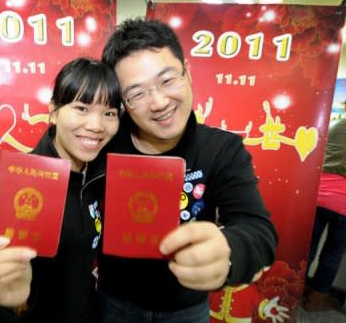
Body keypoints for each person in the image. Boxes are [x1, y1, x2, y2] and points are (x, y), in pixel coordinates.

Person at [97, 18, 278, 323]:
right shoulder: (103, 143)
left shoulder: (223, 149)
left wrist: (230, 251)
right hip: (114, 302)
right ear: (124, 102)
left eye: (168, 80)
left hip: (186, 308)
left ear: (188, 73)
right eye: (137, 94)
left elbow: (258, 230)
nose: (158, 102)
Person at [0, 58, 121, 322]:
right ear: (54, 111)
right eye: (81, 108)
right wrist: (9, 303)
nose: (96, 126)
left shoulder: (100, 178)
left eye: (109, 113)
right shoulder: (10, 179)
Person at [304, 115, 346, 311]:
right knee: (333, 253)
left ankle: (293, 291)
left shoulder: (338, 125)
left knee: (307, 247)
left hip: (319, 194)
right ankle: (316, 300)